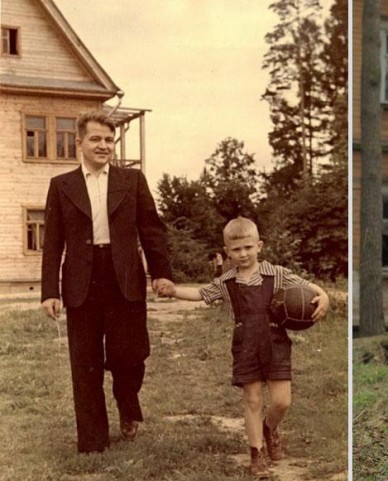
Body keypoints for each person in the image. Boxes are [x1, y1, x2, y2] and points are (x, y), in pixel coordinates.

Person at [41, 111, 173, 453]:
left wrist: (161, 272)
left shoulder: (132, 180)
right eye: (96, 139)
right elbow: (53, 241)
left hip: (125, 279)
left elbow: (152, 229)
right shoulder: (61, 185)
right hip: (81, 281)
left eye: (109, 140)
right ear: (80, 143)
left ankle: (127, 405)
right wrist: (49, 292)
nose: (104, 146)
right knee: (84, 362)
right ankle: (93, 440)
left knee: (129, 355)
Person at [157, 216, 330, 477]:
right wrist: (173, 291)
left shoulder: (277, 273)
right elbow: (201, 294)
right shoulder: (227, 283)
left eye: (248, 247)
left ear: (259, 246)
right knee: (252, 400)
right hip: (245, 344)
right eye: (236, 249)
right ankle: (256, 452)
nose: (243, 254)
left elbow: (308, 287)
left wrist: (324, 296)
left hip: (276, 344)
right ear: (227, 252)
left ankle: (269, 428)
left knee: (282, 402)